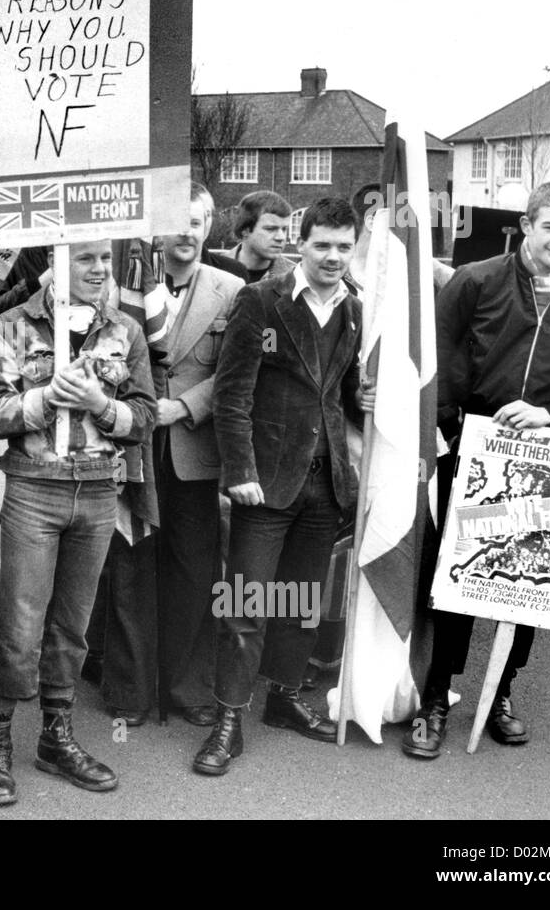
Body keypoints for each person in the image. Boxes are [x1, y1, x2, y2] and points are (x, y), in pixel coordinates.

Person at [402, 181, 550, 760]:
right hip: (477, 446)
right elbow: (437, 359)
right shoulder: (477, 281)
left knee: (528, 579)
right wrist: (452, 427)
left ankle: (501, 690)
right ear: (527, 226)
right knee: (462, 573)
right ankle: (435, 698)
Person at [0, 240, 156, 805]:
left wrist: (103, 404)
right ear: (55, 260)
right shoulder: (13, 324)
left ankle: (56, 738)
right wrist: (45, 399)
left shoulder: (124, 328)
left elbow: (144, 417)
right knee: (19, 627)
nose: (100, 268)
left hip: (100, 488)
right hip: (34, 486)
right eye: (84, 258)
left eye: (104, 258)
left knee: (73, 625)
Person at [194, 197, 370, 777]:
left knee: (300, 603)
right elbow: (232, 394)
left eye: (345, 246)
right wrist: (239, 473)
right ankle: (228, 719)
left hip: (326, 486)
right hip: (265, 485)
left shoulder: (354, 310)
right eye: (323, 245)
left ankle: (285, 697)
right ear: (302, 241)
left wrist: (361, 400)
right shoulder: (260, 300)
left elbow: (338, 395)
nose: (334, 257)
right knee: (246, 604)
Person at [149, 184, 243, 724]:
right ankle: (130, 682)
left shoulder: (232, 289)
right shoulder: (129, 284)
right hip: (134, 444)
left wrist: (182, 408)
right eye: (177, 220)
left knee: (194, 569)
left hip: (192, 446)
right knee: (132, 565)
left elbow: (232, 373)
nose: (187, 231)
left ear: (211, 227)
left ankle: (186, 686)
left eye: (198, 221)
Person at [227, 190, 296, 284]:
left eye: (284, 229)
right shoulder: (213, 269)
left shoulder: (296, 278)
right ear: (245, 230)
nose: (281, 237)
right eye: (270, 229)